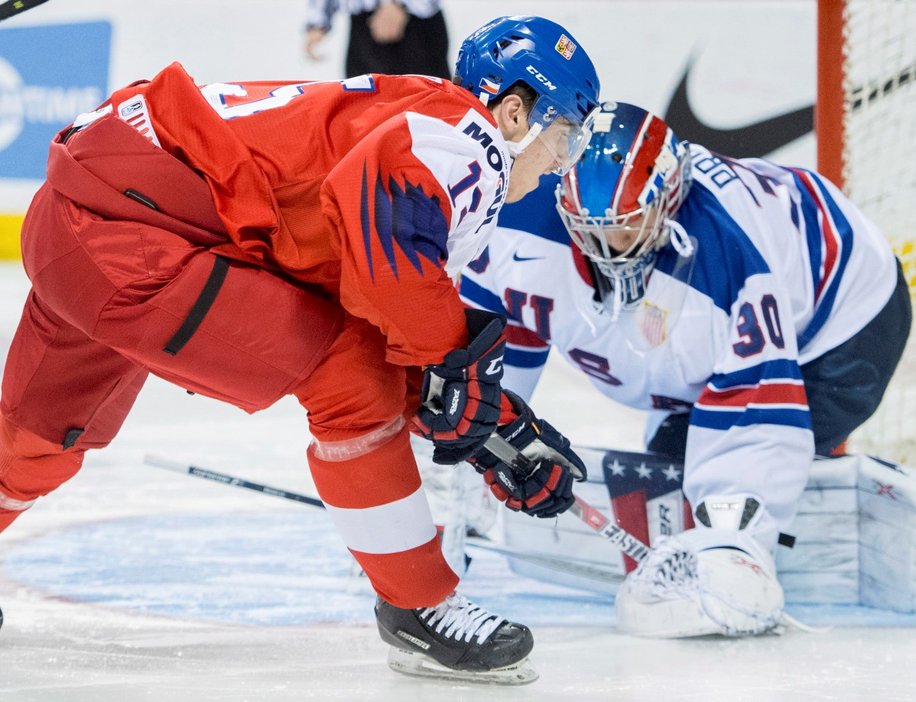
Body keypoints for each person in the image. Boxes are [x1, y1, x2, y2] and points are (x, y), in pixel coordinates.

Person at [0, 15, 599, 684]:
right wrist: (458, 383)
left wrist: (491, 420)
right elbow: (384, 255)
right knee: (350, 379)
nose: (558, 166)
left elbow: (369, 280)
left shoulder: (412, 112)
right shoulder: (470, 139)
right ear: (514, 113)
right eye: (565, 138)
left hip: (87, 214)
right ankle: (419, 607)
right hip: (130, 236)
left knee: (35, 439)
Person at [456, 101, 916, 637]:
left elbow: (755, 419)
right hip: (721, 319)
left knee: (732, 490)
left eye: (628, 226)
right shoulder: (521, 217)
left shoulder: (726, 258)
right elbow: (496, 336)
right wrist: (478, 451)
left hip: (846, 316)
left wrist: (731, 547)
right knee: (680, 473)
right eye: (589, 230)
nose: (610, 250)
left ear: (671, 197)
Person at [305, 0, 451, 79]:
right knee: (365, 115)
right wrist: (319, 18)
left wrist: (399, 5)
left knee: (429, 114)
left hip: (417, 25)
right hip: (362, 29)